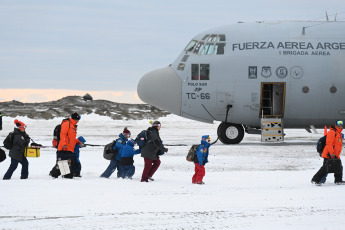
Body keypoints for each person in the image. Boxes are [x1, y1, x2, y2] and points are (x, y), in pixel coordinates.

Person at [311, 121, 345, 185]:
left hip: (336, 154)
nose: (340, 126)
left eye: (341, 125)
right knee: (325, 168)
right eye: (338, 124)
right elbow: (329, 143)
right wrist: (331, 152)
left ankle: (338, 180)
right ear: (335, 125)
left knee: (339, 166)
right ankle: (315, 180)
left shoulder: (339, 133)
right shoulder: (332, 132)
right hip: (329, 154)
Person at [49, 112, 81, 179]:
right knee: (62, 163)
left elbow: (71, 138)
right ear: (76, 119)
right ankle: (55, 174)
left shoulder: (72, 125)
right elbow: (62, 134)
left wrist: (77, 141)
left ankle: (64, 175)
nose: (78, 121)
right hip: (64, 148)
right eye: (78, 119)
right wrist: (63, 144)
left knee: (66, 163)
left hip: (69, 149)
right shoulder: (67, 123)